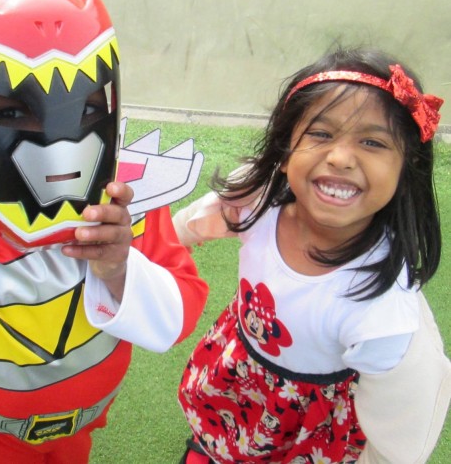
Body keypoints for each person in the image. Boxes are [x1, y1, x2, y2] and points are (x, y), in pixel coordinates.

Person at [0, 0, 208, 463]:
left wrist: (120, 268)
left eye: (87, 107)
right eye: (13, 110)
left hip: (83, 423)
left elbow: (180, 314)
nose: (60, 143)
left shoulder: (124, 204)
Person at [174, 47, 451, 463]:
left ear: (405, 166)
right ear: (286, 148)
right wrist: (157, 250)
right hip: (241, 366)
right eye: (321, 134)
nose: (340, 158)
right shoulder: (258, 198)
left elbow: (402, 427)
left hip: (311, 418)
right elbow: (191, 223)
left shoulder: (386, 316)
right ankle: (217, 447)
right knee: (223, 428)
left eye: (372, 142)